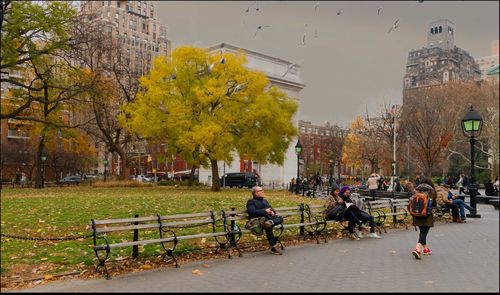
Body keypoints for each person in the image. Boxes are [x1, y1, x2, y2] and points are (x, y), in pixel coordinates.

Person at [246, 186, 284, 255]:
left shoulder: (265, 201)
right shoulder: (251, 201)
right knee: (268, 227)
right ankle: (273, 247)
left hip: (269, 220)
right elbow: (251, 212)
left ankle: (270, 223)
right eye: (261, 190)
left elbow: (271, 209)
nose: (263, 191)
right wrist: (265, 211)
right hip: (259, 221)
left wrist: (273, 212)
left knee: (280, 218)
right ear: (256, 193)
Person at [411, 177, 437, 260]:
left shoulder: (416, 190)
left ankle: (425, 249)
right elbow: (433, 202)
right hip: (426, 214)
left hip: (416, 213)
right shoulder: (431, 190)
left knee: (422, 231)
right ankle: (417, 249)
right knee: (424, 231)